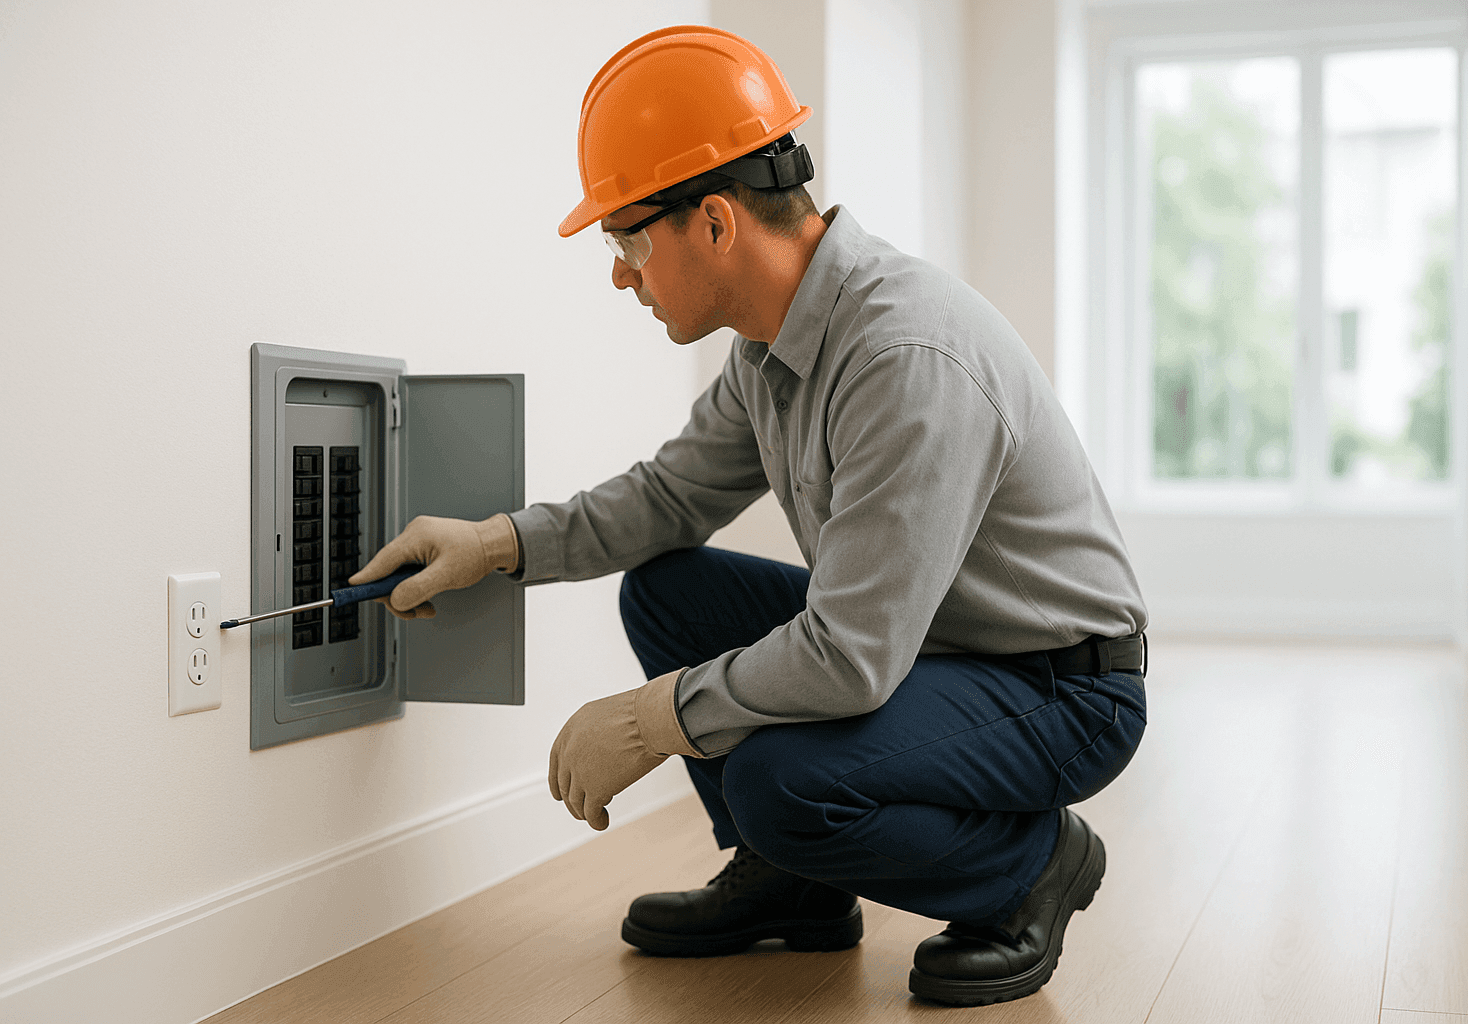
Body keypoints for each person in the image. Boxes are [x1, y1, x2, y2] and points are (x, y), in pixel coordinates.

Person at [350, 24, 1149, 1008]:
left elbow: (852, 655)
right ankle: (797, 884)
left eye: (627, 237)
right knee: (671, 591)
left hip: (1057, 686)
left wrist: (650, 723)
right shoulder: (768, 348)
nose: (619, 273)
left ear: (717, 222)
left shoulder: (903, 360)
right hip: (930, 649)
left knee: (780, 780)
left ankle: (1029, 868)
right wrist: (496, 543)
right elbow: (667, 500)